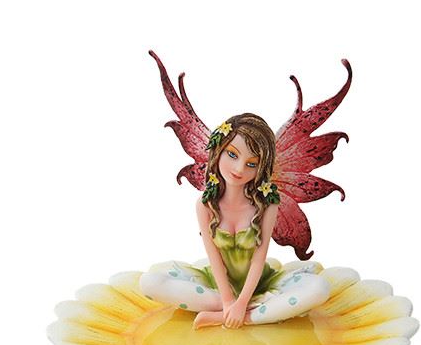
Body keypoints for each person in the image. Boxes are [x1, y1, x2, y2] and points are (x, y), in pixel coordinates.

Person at [139, 113, 330, 329]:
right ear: (218, 150)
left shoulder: (267, 204)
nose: (239, 169)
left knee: (320, 288)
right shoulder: (205, 205)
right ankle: (256, 310)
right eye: (232, 154)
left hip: (258, 286)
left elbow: (259, 258)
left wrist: (241, 302)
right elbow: (213, 256)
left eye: (252, 164)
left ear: (261, 168)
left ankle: (235, 315)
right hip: (216, 287)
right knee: (149, 283)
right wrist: (229, 301)